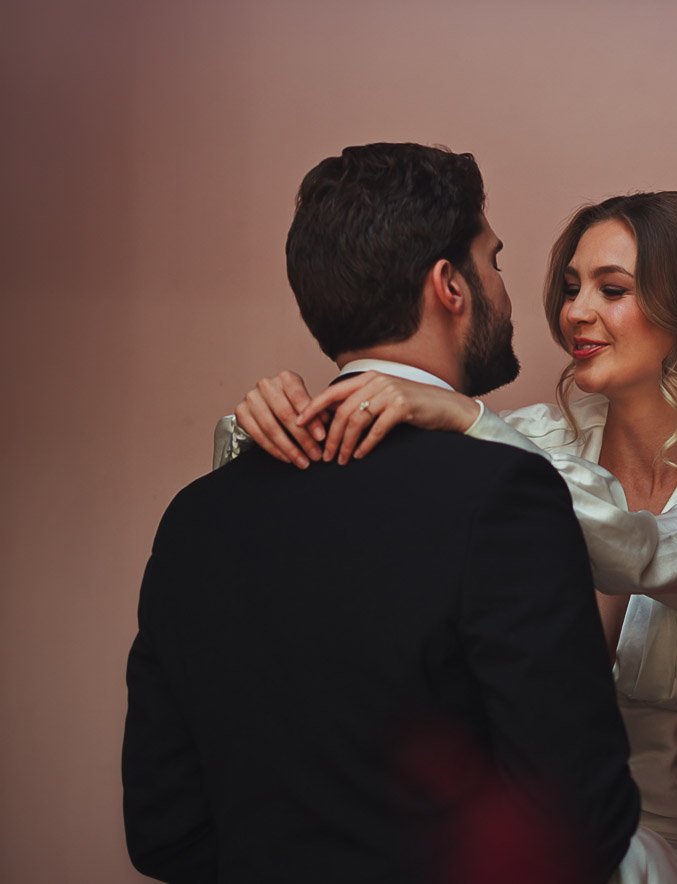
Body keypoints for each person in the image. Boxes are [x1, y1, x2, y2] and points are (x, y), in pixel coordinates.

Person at [227, 191, 677, 881]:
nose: (575, 312)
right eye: (570, 288)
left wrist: (470, 419)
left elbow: (645, 550)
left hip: (655, 841)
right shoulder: (524, 438)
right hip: (504, 825)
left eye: (611, 289)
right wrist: (264, 422)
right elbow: (346, 506)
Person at [123, 143, 643, 883]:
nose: (503, 285)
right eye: (492, 260)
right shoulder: (502, 496)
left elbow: (162, 829)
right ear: (448, 286)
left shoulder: (196, 517)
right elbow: (577, 818)